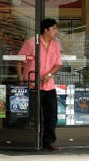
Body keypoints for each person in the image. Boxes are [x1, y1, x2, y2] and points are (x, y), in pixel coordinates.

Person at [16, 18, 63, 152]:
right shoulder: (31, 43)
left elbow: (58, 64)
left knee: (51, 115)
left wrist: (48, 75)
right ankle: (19, 139)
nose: (56, 31)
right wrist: (21, 80)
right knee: (28, 114)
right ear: (46, 30)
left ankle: (48, 142)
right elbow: (19, 61)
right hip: (32, 85)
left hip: (49, 87)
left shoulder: (55, 44)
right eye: (54, 28)